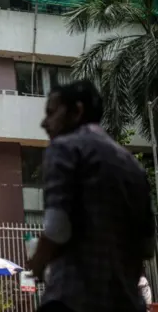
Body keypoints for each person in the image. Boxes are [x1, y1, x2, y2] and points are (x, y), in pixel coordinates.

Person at [28, 80, 155, 312]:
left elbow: (58, 227)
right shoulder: (133, 166)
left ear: (77, 111)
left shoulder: (66, 147)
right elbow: (147, 245)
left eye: (52, 112)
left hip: (72, 300)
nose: (45, 123)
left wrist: (37, 263)